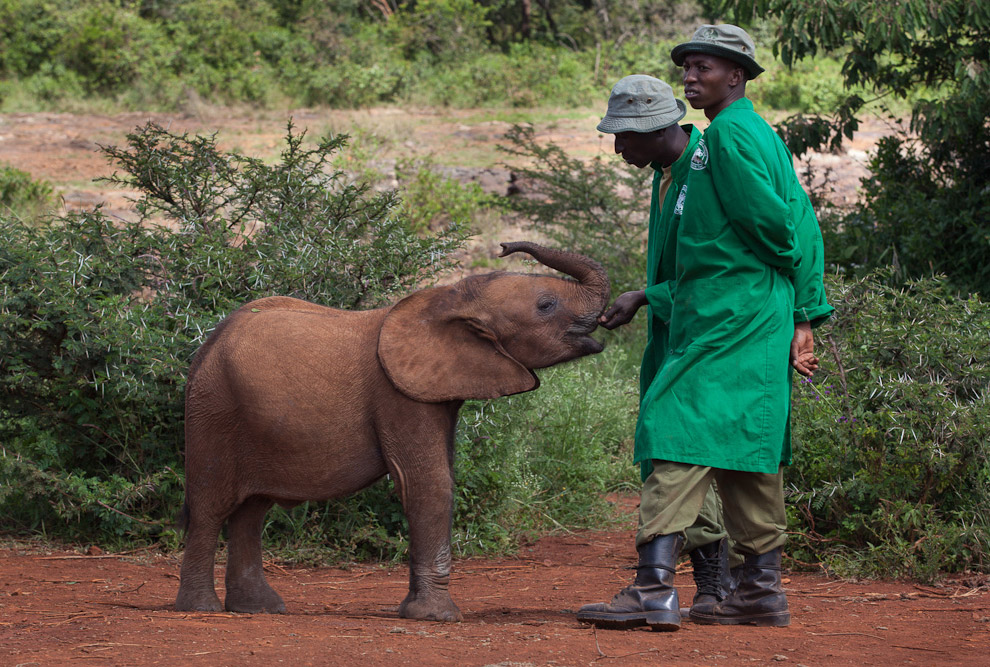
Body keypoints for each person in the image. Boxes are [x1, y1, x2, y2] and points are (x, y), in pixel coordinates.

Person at [580, 24, 833, 631]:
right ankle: (759, 593)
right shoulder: (726, 139)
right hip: (736, 312)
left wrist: (795, 309)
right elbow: (763, 232)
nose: (691, 77)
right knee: (749, 448)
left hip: (732, 316)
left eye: (704, 68)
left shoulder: (726, 138)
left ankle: (653, 590)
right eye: (687, 68)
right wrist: (794, 310)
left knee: (675, 427)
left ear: (736, 76)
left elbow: (783, 228)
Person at [574, 74, 735, 632]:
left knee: (674, 442)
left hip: (714, 331)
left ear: (656, 129)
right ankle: (717, 590)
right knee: (686, 452)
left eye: (625, 137)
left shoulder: (709, 165)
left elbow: (722, 265)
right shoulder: (667, 174)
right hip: (680, 328)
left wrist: (648, 294)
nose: (618, 148)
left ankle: (656, 588)